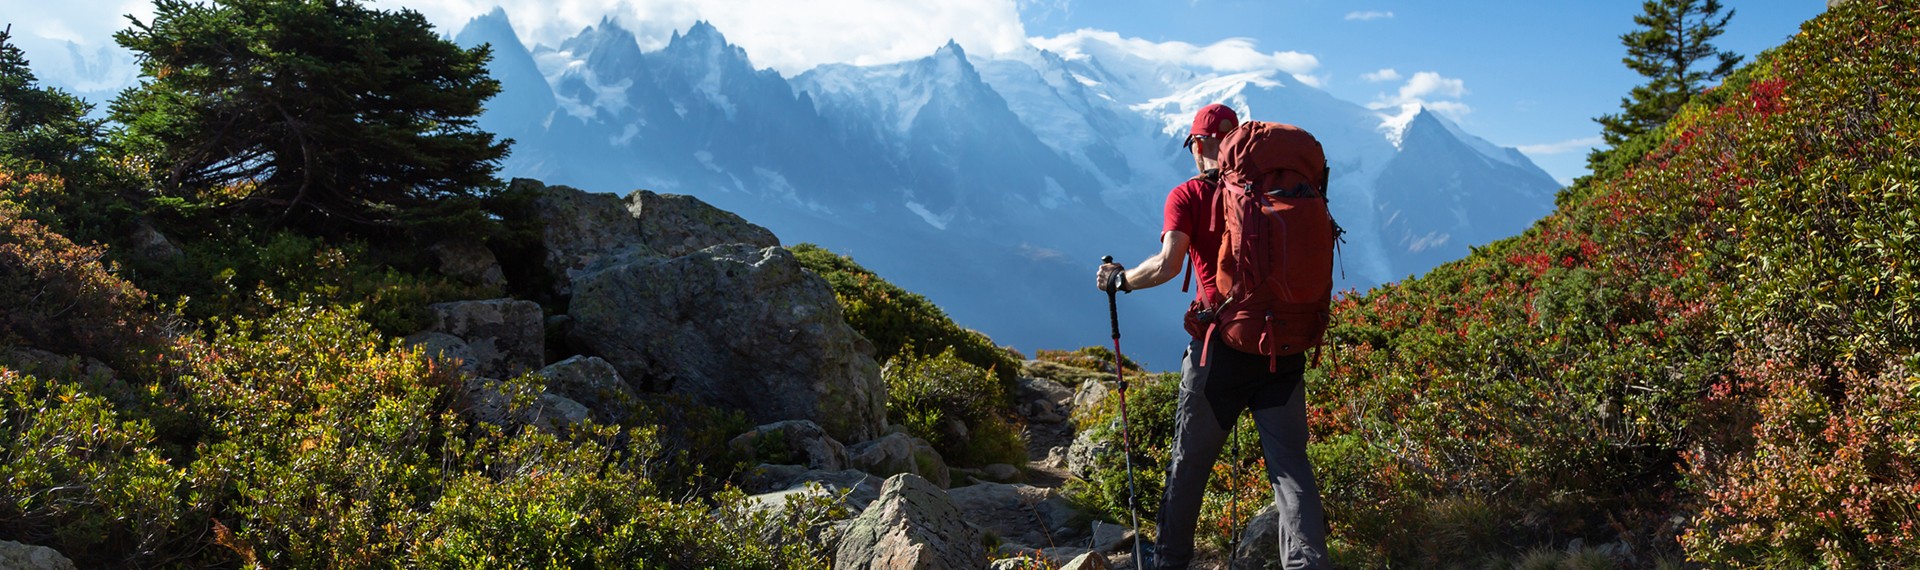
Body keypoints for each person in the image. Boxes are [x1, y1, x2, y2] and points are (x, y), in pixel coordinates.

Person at [1095, 103, 1329, 569]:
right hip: (1284, 347)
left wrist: (1120, 280)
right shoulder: (1280, 190)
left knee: (1189, 467)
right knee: (1290, 470)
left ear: (1200, 145)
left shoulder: (1189, 195)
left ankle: (1170, 562)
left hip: (1218, 353)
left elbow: (1167, 265)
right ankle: (1309, 564)